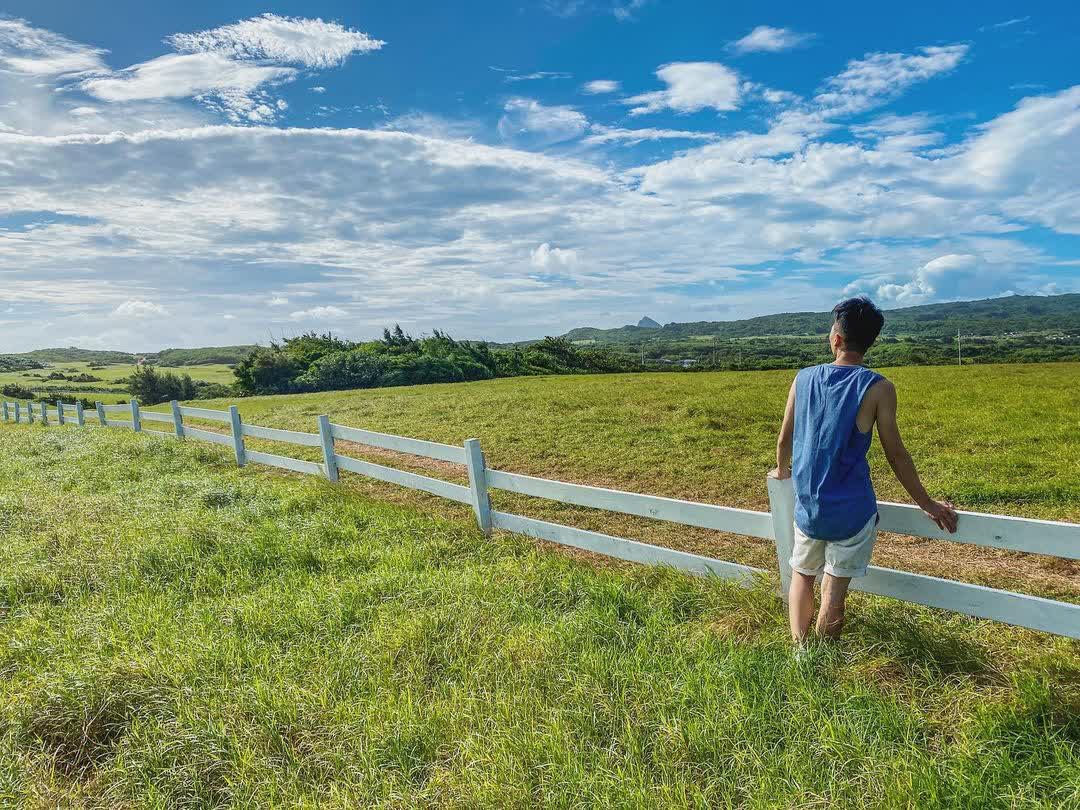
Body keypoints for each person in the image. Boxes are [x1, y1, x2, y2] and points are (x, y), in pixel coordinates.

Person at [769, 296, 958, 646]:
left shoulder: (803, 378)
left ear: (836, 339)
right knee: (834, 593)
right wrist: (927, 504)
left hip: (809, 505)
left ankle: (800, 650)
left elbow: (785, 438)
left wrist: (782, 472)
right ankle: (824, 655)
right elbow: (896, 454)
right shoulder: (879, 388)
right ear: (870, 341)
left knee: (802, 575)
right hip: (852, 511)